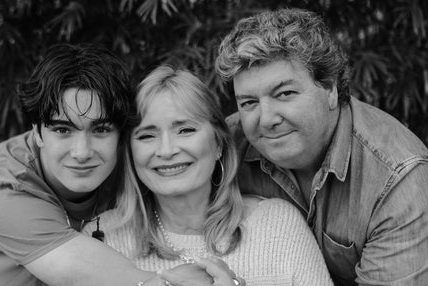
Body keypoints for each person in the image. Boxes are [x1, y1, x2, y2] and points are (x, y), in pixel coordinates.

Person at [0, 44, 212, 286]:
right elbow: (85, 272)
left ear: (121, 133)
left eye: (101, 130)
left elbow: (219, 142)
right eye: (63, 130)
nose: (82, 152)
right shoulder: (5, 190)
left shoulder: (128, 156)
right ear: (37, 133)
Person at [215, 7, 428, 286]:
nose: (266, 119)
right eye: (248, 103)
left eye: (285, 94)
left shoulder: (398, 178)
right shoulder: (224, 149)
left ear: (329, 89)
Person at [83, 65, 334, 286]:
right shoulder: (101, 238)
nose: (167, 150)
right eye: (147, 135)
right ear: (130, 152)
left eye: (185, 129)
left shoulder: (277, 226)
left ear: (218, 144)